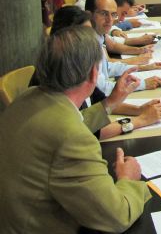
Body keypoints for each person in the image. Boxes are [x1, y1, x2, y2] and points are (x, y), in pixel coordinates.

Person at [0, 26, 151, 232]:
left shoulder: (29, 97)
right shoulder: (72, 139)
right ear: (92, 74)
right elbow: (117, 217)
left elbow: (67, 121)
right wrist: (128, 179)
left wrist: (110, 103)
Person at [49, 6, 161, 139]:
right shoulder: (63, 76)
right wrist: (141, 120)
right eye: (85, 35)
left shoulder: (75, 62)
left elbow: (103, 104)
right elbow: (87, 131)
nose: (92, 40)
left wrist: (138, 110)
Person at [86, 0, 161, 95]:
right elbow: (101, 89)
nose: (110, 20)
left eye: (113, 14)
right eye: (104, 13)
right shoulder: (87, 46)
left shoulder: (98, 37)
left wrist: (143, 67)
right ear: (89, 15)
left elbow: (107, 68)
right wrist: (142, 84)